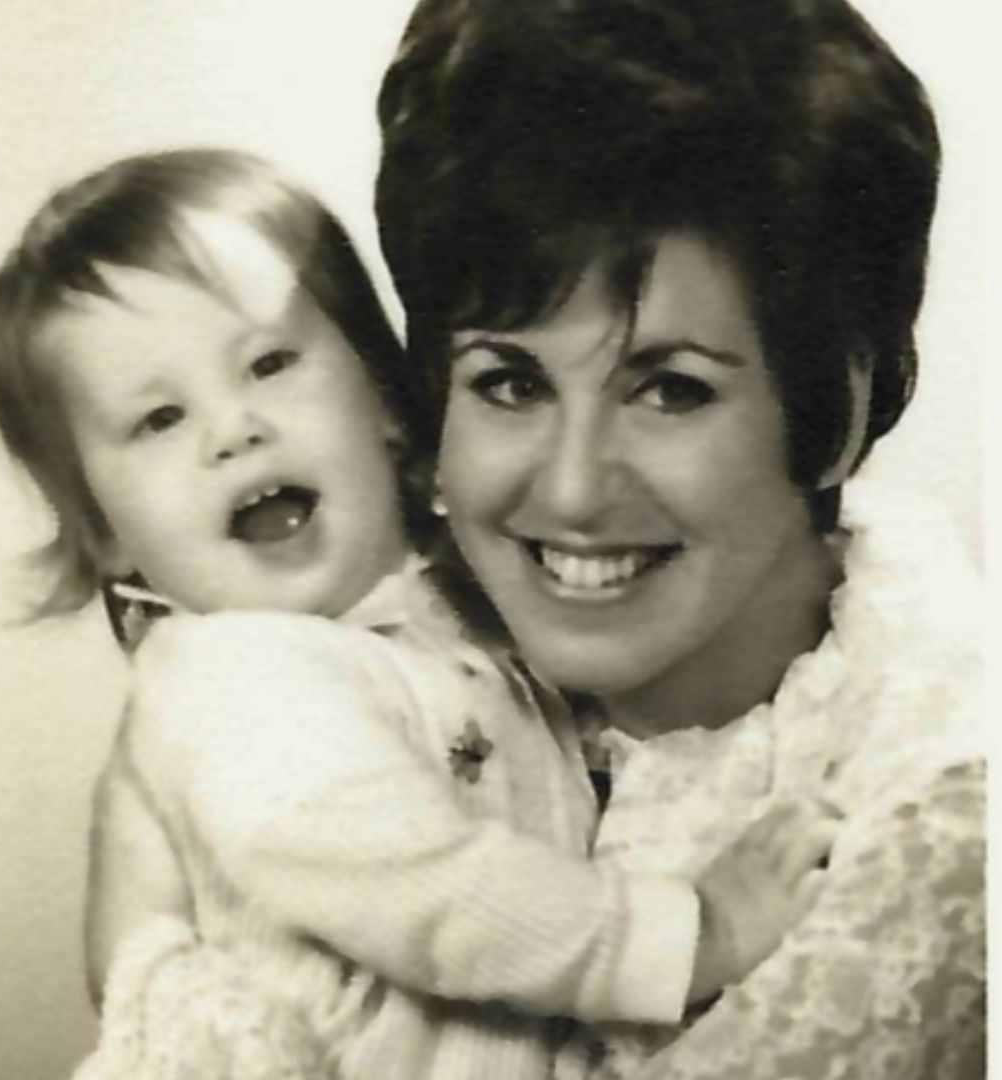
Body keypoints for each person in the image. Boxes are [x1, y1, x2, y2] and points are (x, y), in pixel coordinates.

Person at [0, 147, 833, 1080]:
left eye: (268, 363)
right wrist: (690, 937)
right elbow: (428, 892)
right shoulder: (234, 680)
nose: (235, 430)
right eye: (160, 419)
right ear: (105, 531)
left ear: (386, 399)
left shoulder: (452, 606)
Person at [374, 0, 985, 1076]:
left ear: (835, 414)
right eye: (509, 381)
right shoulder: (366, 668)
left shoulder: (946, 823)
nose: (572, 488)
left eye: (669, 389)